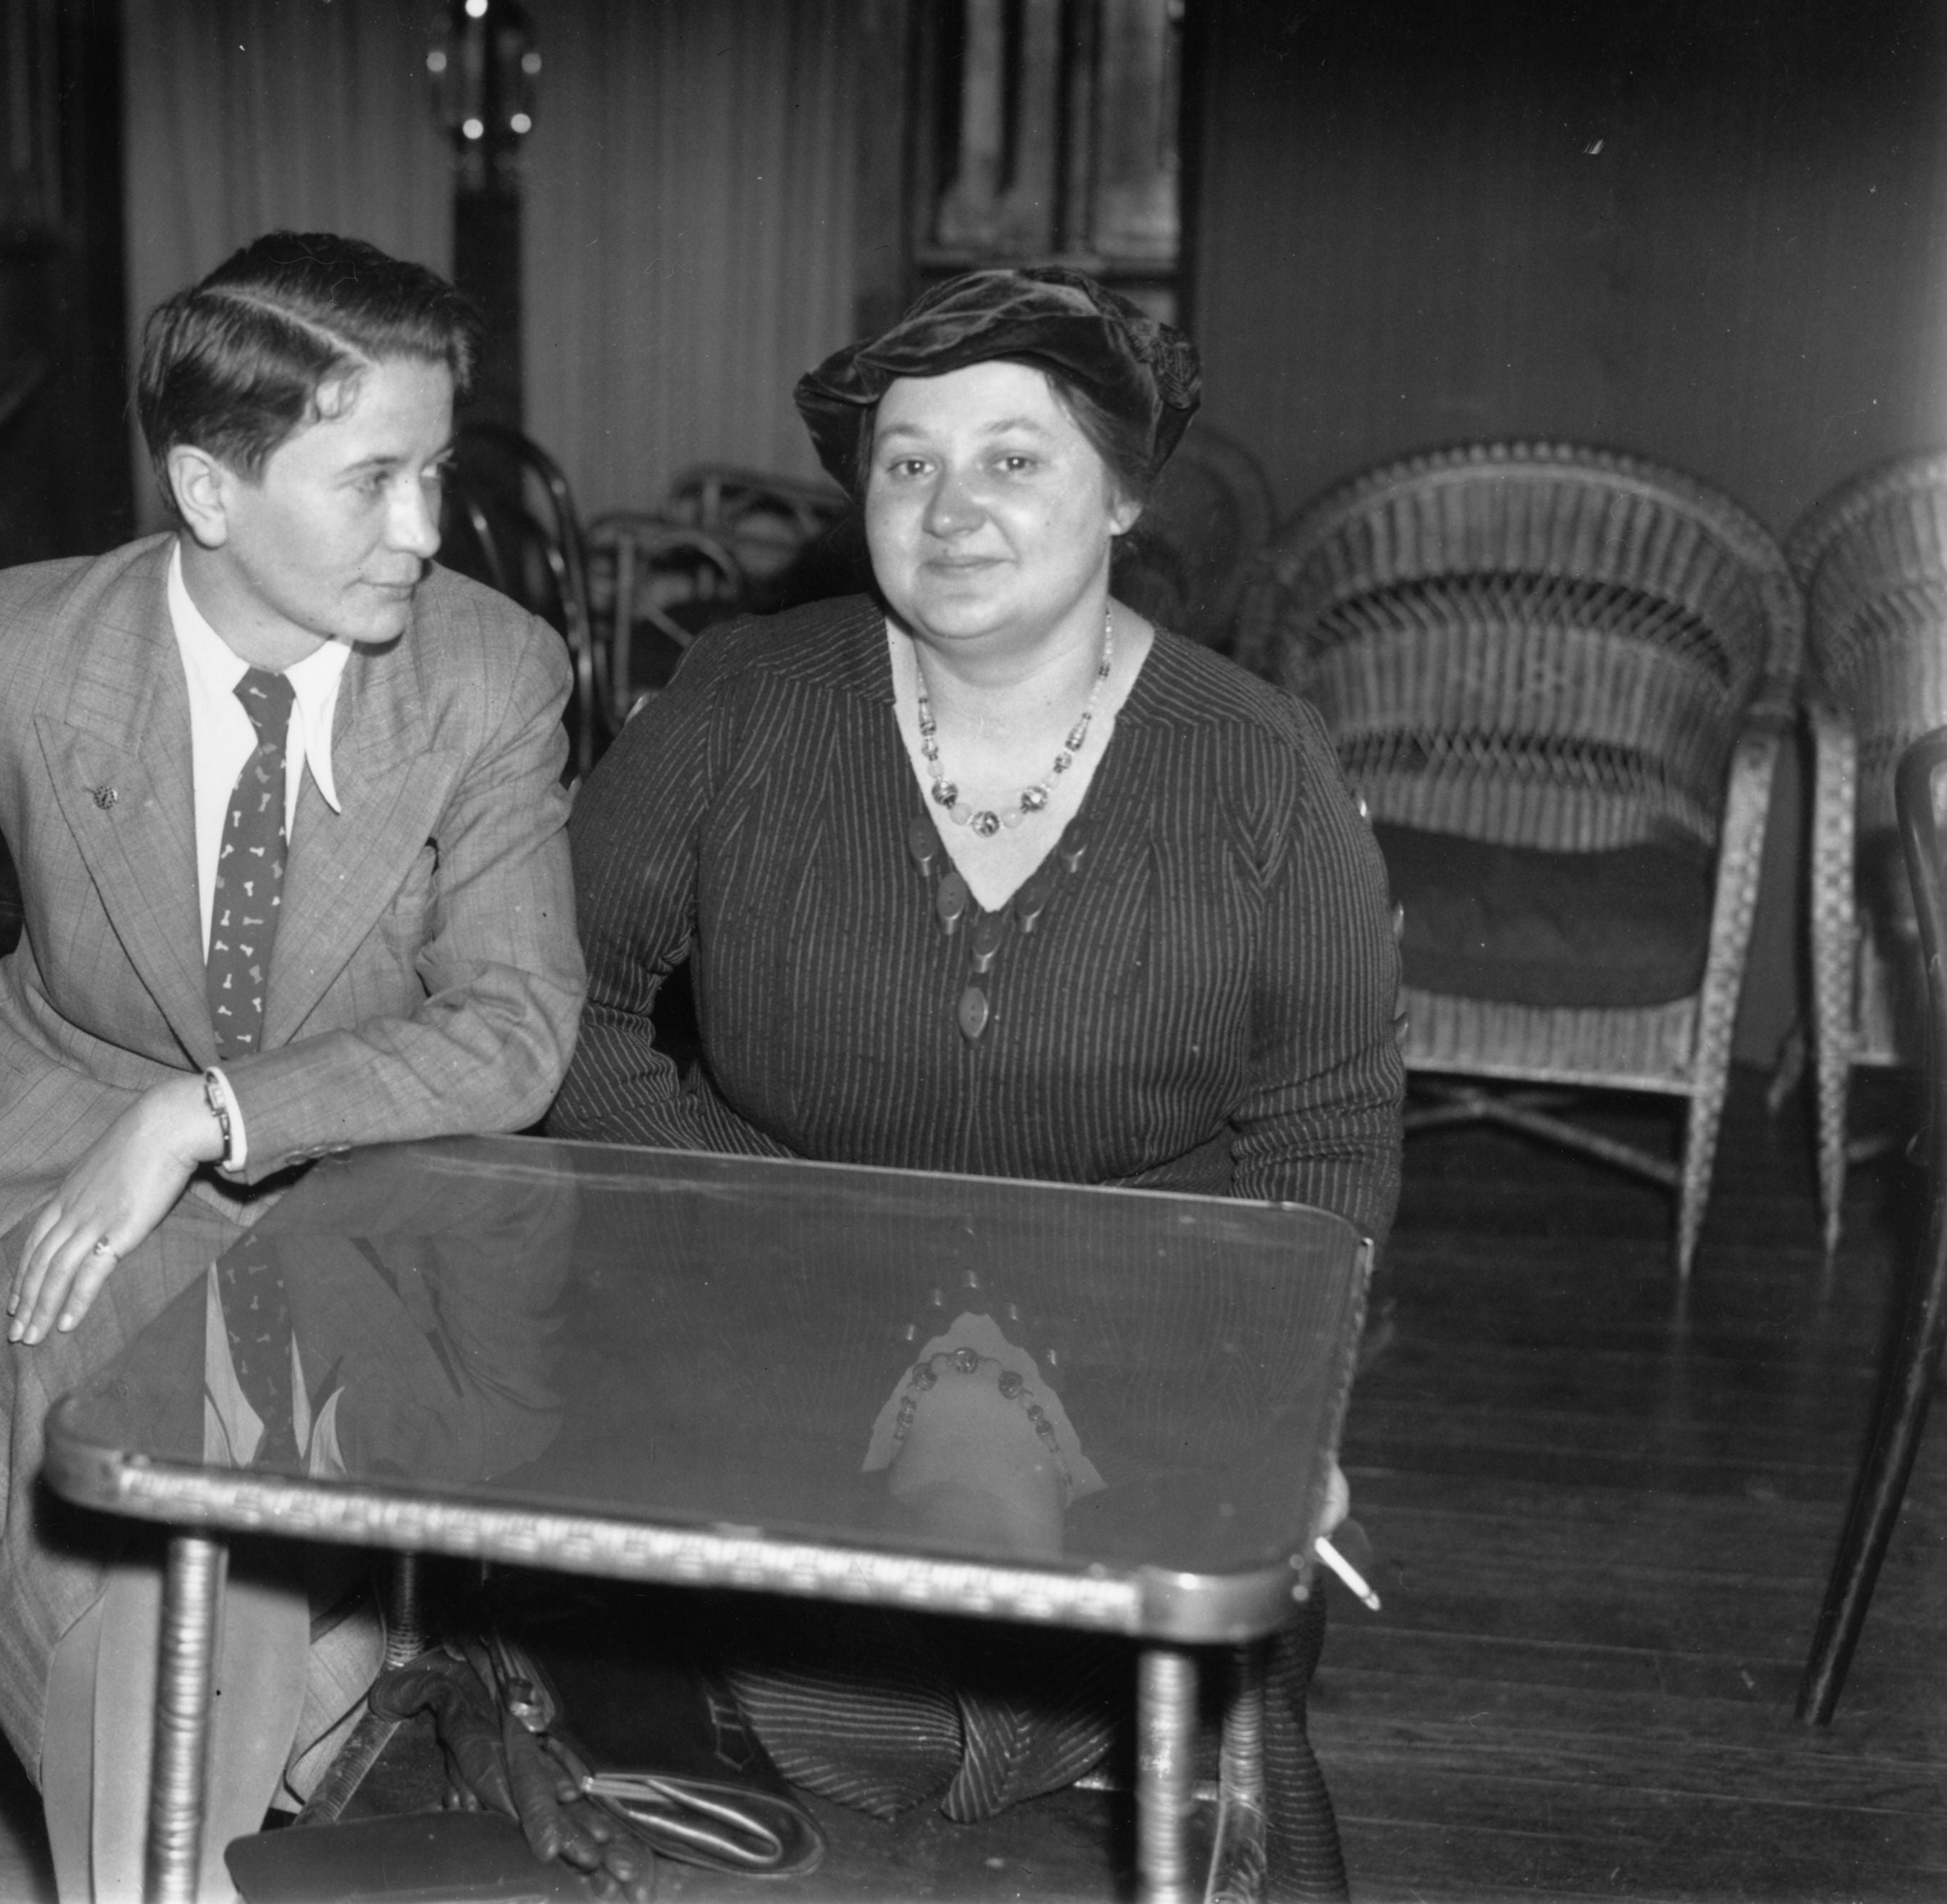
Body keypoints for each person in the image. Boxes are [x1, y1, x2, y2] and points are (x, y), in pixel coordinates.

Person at [0, 231, 584, 1902]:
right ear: (209, 486)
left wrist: (214, 1113)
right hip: (63, 1167)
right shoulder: (23, 650)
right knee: (199, 1524)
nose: (424, 530)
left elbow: (518, 1030)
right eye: (373, 478)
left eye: (438, 473)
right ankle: (364, 1768)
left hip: (384, 1192)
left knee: (194, 1572)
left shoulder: (486, 674)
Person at [548, 264, 1401, 1900]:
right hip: (769, 1312)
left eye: (1015, 458)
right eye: (908, 461)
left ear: (1126, 495)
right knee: (716, 1799)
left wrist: (1278, 1395)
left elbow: (1331, 1125)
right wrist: (763, 1220)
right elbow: (567, 1005)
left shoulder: (1257, 759)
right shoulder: (744, 700)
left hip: (1148, 1344)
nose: (952, 507)